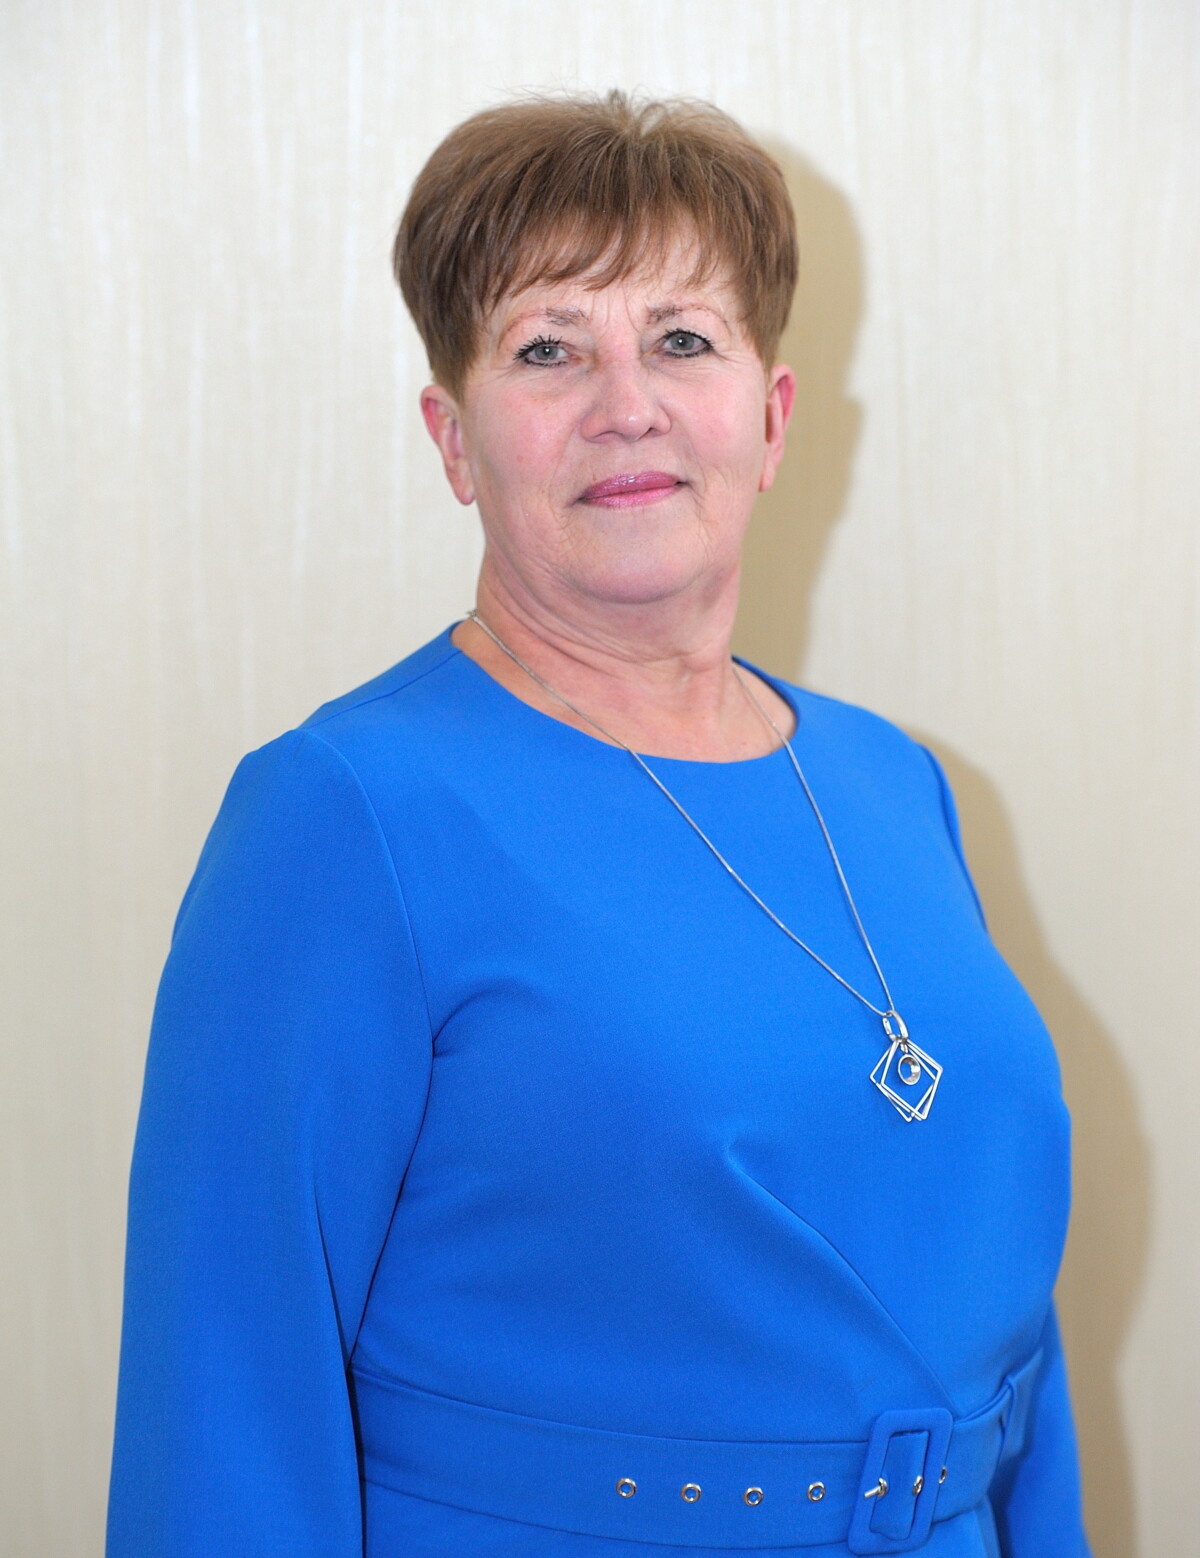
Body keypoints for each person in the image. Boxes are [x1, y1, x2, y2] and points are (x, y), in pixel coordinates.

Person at [107, 92, 1091, 1557]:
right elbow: (226, 1403)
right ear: (454, 440)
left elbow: (1003, 1331)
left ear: (771, 418)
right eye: (548, 348)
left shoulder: (897, 783)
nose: (626, 401)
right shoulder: (343, 814)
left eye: (682, 339)